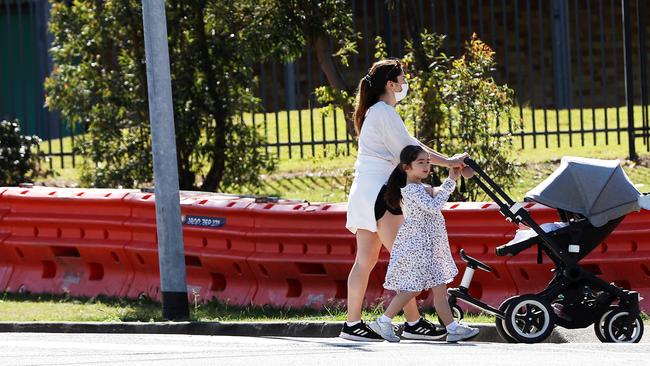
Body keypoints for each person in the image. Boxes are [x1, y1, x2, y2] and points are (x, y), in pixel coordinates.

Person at [339, 58, 468, 342]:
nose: (404, 83)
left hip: (365, 193)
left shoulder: (375, 112)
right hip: (380, 195)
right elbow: (411, 151)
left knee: (366, 260)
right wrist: (449, 162)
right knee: (408, 257)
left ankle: (354, 324)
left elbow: (412, 146)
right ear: (391, 84)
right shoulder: (384, 112)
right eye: (402, 78)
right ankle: (411, 323)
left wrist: (447, 161)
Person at [368, 145, 479, 343]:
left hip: (430, 246)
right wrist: (450, 180)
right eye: (421, 162)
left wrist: (450, 180)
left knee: (440, 289)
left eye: (428, 162)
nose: (427, 166)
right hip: (417, 247)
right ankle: (383, 321)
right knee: (413, 288)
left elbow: (435, 201)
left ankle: (452, 328)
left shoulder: (420, 188)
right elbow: (434, 207)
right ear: (406, 168)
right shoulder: (411, 190)